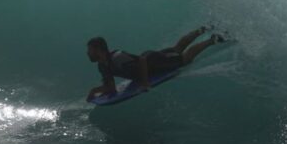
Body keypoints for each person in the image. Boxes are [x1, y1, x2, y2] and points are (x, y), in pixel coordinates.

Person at [86, 26, 224, 101]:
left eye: (90, 50)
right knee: (176, 49)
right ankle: (202, 29)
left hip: (154, 62)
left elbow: (141, 60)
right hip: (151, 62)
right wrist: (95, 91)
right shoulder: (102, 66)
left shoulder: (116, 57)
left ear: (99, 49)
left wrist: (145, 82)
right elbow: (111, 88)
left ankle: (213, 39)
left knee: (183, 59)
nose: (88, 53)